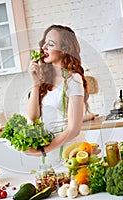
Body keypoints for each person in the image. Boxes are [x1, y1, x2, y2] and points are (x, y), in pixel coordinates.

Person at [25, 24, 90, 164]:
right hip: (50, 155)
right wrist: (35, 82)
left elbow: (74, 129)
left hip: (72, 153)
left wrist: (42, 151)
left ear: (64, 49)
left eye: (51, 44)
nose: (44, 48)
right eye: (44, 43)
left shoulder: (73, 79)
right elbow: (33, 116)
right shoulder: (44, 80)